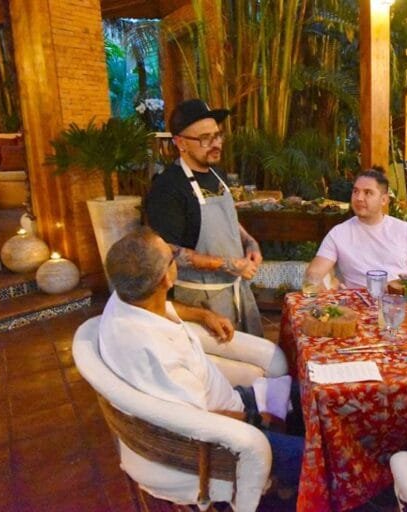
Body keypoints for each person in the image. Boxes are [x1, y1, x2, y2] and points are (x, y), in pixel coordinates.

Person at [98, 227, 302, 489]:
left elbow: (165, 306)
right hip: (230, 437)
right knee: (318, 458)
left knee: (317, 396)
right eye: (172, 255)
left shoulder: (126, 299)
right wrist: (258, 419)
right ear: (165, 279)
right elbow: (199, 425)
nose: (176, 253)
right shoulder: (156, 353)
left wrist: (202, 314)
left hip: (233, 400)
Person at [146, 99, 264, 335]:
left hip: (236, 289)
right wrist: (229, 264)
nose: (215, 144)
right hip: (200, 300)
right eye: (205, 139)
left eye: (218, 135)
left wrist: (249, 241)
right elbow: (167, 251)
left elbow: (228, 217)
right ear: (180, 143)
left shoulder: (216, 173)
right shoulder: (167, 187)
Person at [305, 169, 407, 288]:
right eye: (355, 191)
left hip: (400, 301)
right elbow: (314, 273)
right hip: (357, 306)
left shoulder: (405, 230)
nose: (359, 198)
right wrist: (325, 284)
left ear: (383, 200)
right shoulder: (338, 233)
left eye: (368, 192)